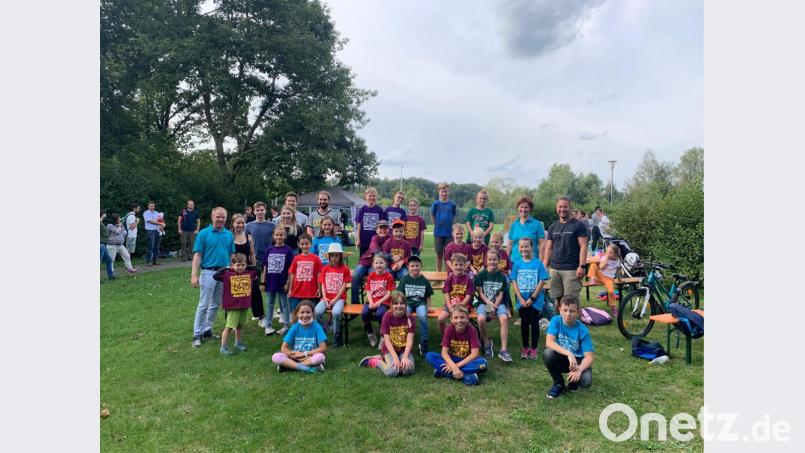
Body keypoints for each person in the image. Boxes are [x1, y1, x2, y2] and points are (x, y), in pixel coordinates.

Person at [191, 207, 235, 348]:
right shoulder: (203, 234)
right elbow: (197, 256)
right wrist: (194, 275)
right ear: (212, 217)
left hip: (224, 273)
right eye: (218, 217)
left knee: (216, 303)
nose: (220, 219)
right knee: (204, 303)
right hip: (208, 272)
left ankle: (207, 330)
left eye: (223, 217)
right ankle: (197, 334)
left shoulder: (229, 234)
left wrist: (233, 272)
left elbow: (231, 256)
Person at [543, 295, 595, 399]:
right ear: (559, 309)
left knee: (586, 381)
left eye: (572, 311)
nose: (568, 314)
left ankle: (573, 382)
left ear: (578, 312)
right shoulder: (556, 321)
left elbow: (589, 357)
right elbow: (549, 342)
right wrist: (569, 354)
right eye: (565, 310)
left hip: (578, 361)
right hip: (563, 358)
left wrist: (579, 370)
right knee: (548, 353)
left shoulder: (583, 330)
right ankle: (559, 384)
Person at [425, 304, 487, 386]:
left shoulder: (472, 330)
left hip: (466, 360)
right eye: (456, 318)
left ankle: (442, 372)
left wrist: (455, 367)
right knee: (429, 356)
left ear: (467, 318)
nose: (459, 320)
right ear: (451, 319)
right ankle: (467, 377)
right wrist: (453, 366)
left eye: (462, 317)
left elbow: (475, 354)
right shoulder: (449, 330)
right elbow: (444, 352)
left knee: (483, 364)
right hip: (452, 359)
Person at [542, 196, 589, 304]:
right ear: (556, 208)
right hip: (554, 269)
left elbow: (583, 246)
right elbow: (549, 248)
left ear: (570, 208)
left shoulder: (579, 225)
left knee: (571, 302)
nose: (562, 209)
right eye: (560, 207)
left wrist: (582, 266)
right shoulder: (553, 226)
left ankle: (575, 316)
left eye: (565, 207)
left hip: (571, 270)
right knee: (557, 301)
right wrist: (544, 265)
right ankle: (558, 316)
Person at [359, 291, 416, 377]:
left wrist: (405, 357)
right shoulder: (387, 317)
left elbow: (410, 339)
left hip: (403, 349)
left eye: (401, 303)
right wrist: (395, 357)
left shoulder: (410, 318)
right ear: (392, 305)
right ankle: (376, 361)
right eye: (396, 303)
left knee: (408, 370)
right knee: (393, 372)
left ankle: (394, 359)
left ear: (405, 305)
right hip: (390, 349)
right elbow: (387, 340)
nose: (399, 306)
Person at [511, 237, 550, 360]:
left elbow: (542, 281)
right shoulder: (517, 264)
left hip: (535, 301)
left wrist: (532, 299)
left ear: (532, 247)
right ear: (518, 248)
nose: (524, 249)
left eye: (526, 246)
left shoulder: (538, 263)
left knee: (534, 324)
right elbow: (514, 281)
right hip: (522, 301)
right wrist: (521, 299)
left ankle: (533, 348)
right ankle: (525, 347)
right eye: (521, 246)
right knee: (524, 324)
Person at [213, 253, 259, 355]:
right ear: (232, 265)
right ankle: (223, 347)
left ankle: (238, 343)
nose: (240, 267)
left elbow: (258, 269)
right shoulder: (227, 275)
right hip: (233, 306)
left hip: (244, 305)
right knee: (229, 327)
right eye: (238, 265)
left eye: (243, 265)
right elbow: (215, 275)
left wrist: (247, 266)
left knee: (240, 326)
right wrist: (226, 268)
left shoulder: (249, 274)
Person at [473, 249, 511, 362]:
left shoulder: (502, 276)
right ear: (486, 260)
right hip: (484, 302)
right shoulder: (482, 274)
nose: (492, 262)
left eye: (494, 260)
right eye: (489, 260)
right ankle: (487, 343)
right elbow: (480, 293)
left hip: (498, 303)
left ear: (499, 261)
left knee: (504, 318)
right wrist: (489, 305)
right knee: (480, 319)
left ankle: (504, 350)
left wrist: (494, 306)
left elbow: (501, 294)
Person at [271, 300, 327, 373]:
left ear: (312, 313)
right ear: (297, 314)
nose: (305, 315)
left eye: (308, 312)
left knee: (320, 357)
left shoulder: (317, 327)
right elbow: (283, 348)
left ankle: (289, 366)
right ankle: (309, 368)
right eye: (302, 312)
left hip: (310, 356)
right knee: (276, 356)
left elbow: (323, 348)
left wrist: (304, 354)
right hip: (295, 357)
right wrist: (292, 354)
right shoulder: (294, 327)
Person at [245, 201, 275, 326]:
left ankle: (271, 310)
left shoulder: (271, 225)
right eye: (257, 210)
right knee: (255, 288)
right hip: (255, 260)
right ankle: (259, 314)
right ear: (254, 211)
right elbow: (245, 242)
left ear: (265, 210)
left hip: (269, 258)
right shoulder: (249, 226)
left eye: (262, 210)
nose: (260, 212)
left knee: (270, 286)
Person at [396, 255, 433, 355]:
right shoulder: (405, 279)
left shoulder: (424, 280)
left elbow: (428, 295)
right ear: (408, 267)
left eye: (417, 265)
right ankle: (402, 339)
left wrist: (429, 307)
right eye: (412, 266)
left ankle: (424, 341)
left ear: (421, 266)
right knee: (403, 315)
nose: (415, 268)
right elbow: (400, 293)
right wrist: (401, 304)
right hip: (408, 303)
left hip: (420, 303)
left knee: (422, 316)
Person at [314, 243, 350, 346]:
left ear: (340, 256)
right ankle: (323, 333)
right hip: (326, 297)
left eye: (336, 255)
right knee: (316, 312)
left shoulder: (345, 269)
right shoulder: (325, 268)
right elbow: (323, 284)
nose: (334, 258)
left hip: (339, 298)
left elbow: (344, 286)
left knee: (336, 313)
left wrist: (335, 299)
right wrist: (325, 297)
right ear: (329, 257)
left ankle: (337, 336)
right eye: (332, 255)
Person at [231, 214, 263, 323]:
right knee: (236, 294)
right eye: (238, 223)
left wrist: (254, 268)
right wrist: (232, 269)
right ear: (233, 224)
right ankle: (233, 320)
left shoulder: (248, 236)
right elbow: (228, 254)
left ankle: (260, 316)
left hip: (247, 267)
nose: (240, 225)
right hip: (235, 269)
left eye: (242, 223)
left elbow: (252, 254)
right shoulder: (229, 237)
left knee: (255, 292)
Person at [350, 220, 390, 305]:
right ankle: (355, 302)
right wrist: (390, 256)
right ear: (376, 230)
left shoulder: (390, 239)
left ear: (388, 230)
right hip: (366, 261)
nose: (383, 230)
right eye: (380, 228)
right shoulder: (374, 238)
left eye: (385, 228)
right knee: (355, 276)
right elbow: (377, 253)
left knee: (374, 277)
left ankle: (373, 300)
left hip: (377, 264)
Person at [263, 228, 294, 336]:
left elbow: (290, 269)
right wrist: (263, 281)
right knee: (270, 303)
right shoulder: (269, 249)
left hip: (282, 281)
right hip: (270, 281)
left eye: (281, 235)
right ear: (273, 236)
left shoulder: (288, 250)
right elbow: (265, 266)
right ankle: (267, 325)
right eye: (277, 235)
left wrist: (288, 282)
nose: (279, 237)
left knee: (284, 304)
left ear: (284, 236)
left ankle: (287, 324)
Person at [362, 252, 396, 348]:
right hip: (371, 301)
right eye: (376, 263)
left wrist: (379, 302)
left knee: (380, 314)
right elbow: (368, 291)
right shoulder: (371, 275)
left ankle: (383, 336)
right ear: (373, 265)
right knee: (364, 313)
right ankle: (371, 333)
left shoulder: (389, 276)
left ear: (386, 264)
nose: (378, 265)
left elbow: (389, 294)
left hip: (384, 301)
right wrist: (371, 302)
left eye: (381, 263)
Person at [437, 253, 474, 334]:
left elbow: (468, 296)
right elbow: (447, 294)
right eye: (456, 265)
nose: (458, 267)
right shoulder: (449, 278)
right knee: (440, 319)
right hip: (450, 304)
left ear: (465, 266)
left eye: (461, 265)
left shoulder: (468, 279)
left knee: (463, 320)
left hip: (464, 304)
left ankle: (472, 335)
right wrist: (450, 306)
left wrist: (460, 306)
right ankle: (447, 336)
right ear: (452, 266)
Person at [287, 234, 323, 313]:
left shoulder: (316, 258)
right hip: (297, 291)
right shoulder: (296, 258)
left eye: (307, 244)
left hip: (311, 292)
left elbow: (319, 275)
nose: (304, 246)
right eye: (302, 244)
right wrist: (290, 289)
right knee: (295, 313)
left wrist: (319, 289)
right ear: (298, 245)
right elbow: (292, 274)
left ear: (311, 244)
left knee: (312, 313)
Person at [508, 197, 546, 264]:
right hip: (514, 262)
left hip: (532, 262)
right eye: (521, 207)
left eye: (526, 207)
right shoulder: (514, 225)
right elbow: (510, 244)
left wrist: (540, 262)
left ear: (530, 209)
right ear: (518, 208)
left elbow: (542, 245)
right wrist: (506, 260)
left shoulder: (537, 224)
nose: (523, 209)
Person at [587, 243, 622, 316]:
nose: (608, 254)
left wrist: (619, 279)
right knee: (593, 264)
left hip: (609, 278)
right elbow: (601, 267)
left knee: (611, 291)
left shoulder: (618, 261)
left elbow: (618, 270)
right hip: (600, 276)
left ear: (616, 254)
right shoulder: (604, 258)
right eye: (607, 252)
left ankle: (613, 307)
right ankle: (592, 278)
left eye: (611, 253)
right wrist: (606, 260)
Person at [430, 182, 456, 273]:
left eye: (446, 191)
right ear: (439, 192)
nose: (444, 193)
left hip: (449, 233)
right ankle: (438, 274)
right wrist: (436, 224)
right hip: (438, 233)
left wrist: (453, 228)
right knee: (439, 254)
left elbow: (453, 216)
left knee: (448, 255)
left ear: (449, 192)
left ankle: (447, 274)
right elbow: (432, 214)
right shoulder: (436, 203)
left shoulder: (452, 204)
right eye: (442, 191)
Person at [354, 187, 384, 256]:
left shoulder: (379, 210)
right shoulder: (362, 210)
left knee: (376, 260)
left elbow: (382, 226)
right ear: (366, 197)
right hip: (364, 241)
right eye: (370, 195)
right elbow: (358, 226)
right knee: (363, 259)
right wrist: (358, 239)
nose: (372, 197)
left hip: (376, 241)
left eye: (374, 196)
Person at [143, 201, 162, 266]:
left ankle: (155, 261)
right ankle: (149, 261)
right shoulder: (146, 213)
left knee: (156, 246)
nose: (152, 207)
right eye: (150, 206)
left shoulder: (157, 213)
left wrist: (162, 225)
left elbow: (160, 220)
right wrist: (159, 223)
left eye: (153, 206)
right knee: (150, 246)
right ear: (148, 206)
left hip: (157, 230)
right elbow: (150, 221)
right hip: (150, 231)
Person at [100, 211, 115, 280]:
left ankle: (111, 276)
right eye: (104, 213)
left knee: (109, 260)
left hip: (103, 245)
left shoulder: (101, 222)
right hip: (100, 244)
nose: (105, 215)